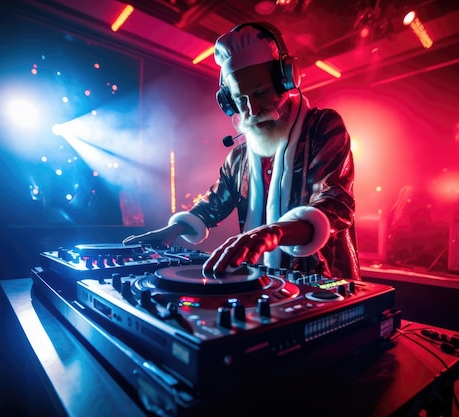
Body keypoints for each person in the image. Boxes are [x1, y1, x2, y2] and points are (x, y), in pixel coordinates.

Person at [123, 21, 360, 281]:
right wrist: (173, 229)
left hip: (328, 286)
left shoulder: (323, 127)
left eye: (261, 92)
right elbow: (212, 206)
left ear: (286, 81)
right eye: (240, 100)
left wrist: (273, 233)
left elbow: (336, 203)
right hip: (265, 285)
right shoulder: (238, 159)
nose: (252, 109)